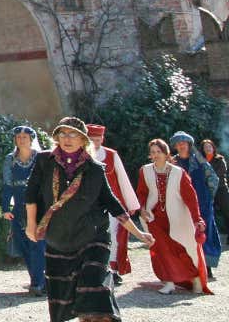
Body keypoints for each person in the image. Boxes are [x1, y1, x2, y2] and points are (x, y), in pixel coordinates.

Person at [24, 117, 154, 322]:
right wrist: (31, 225)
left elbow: (113, 204)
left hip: (93, 236)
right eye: (63, 134)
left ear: (84, 140)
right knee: (66, 293)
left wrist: (139, 233)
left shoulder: (94, 168)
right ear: (57, 137)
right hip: (60, 237)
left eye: (73, 134)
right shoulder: (43, 161)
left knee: (94, 284)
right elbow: (31, 193)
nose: (67, 138)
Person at [136, 138, 211, 294]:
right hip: (154, 217)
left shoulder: (178, 173)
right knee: (161, 248)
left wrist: (197, 218)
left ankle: (195, 277)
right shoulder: (145, 170)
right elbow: (142, 192)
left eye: (159, 152)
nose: (156, 155)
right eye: (153, 152)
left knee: (179, 249)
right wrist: (142, 208)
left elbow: (191, 197)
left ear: (166, 153)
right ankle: (169, 283)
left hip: (176, 218)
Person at [86, 124, 140, 283]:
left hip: (112, 203)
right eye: (92, 139)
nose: (96, 143)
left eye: (98, 139)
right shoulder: (83, 156)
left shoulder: (111, 155)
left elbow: (123, 179)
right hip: (89, 205)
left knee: (114, 237)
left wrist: (131, 204)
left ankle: (113, 270)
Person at [0, 125, 46, 296]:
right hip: (19, 207)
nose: (21, 139)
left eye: (24, 137)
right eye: (18, 137)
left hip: (39, 206)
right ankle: (38, 279)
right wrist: (5, 208)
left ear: (31, 139)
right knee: (23, 244)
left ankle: (38, 283)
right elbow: (7, 185)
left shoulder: (41, 158)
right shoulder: (10, 160)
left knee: (38, 244)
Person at [170, 131, 222, 278]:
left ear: (189, 144)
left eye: (184, 143)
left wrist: (208, 197)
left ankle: (206, 266)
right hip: (181, 204)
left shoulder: (199, 160)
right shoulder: (172, 162)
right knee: (184, 234)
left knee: (205, 234)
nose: (181, 146)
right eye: (178, 143)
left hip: (203, 204)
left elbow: (213, 179)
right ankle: (188, 267)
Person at [202, 139, 229, 247]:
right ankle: (209, 239)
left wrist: (207, 177)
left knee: (227, 211)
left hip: (221, 189)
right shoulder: (200, 161)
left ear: (213, 148)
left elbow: (217, 174)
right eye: (205, 147)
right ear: (203, 150)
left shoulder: (220, 159)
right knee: (207, 213)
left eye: (210, 146)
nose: (208, 148)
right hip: (207, 190)